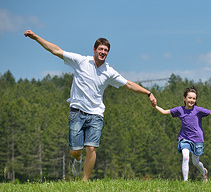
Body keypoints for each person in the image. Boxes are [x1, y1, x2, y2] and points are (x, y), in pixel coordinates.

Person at [24, 30, 157, 181]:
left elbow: (128, 84)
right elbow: (55, 50)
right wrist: (35, 38)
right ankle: (77, 160)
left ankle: (85, 181)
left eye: (106, 50)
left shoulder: (109, 71)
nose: (103, 52)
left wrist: (148, 93)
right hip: (77, 112)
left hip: (96, 114)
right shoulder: (81, 61)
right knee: (75, 150)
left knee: (91, 148)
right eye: (100, 49)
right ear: (94, 50)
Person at [154, 86, 211, 182]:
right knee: (185, 157)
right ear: (184, 98)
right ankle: (185, 181)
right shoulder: (180, 110)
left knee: (195, 162)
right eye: (190, 98)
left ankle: (203, 172)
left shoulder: (198, 110)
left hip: (197, 140)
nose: (192, 100)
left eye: (194, 98)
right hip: (184, 138)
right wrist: (155, 106)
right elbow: (164, 111)